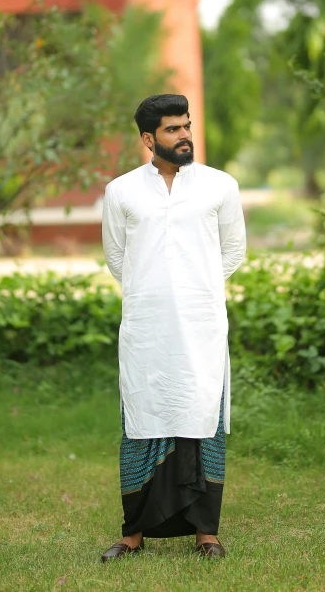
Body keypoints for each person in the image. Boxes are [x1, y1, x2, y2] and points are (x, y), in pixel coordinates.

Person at [100, 93, 246, 561]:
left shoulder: (219, 185)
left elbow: (233, 251)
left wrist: (193, 292)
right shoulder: (121, 191)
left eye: (186, 125)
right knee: (142, 420)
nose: (185, 135)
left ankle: (207, 534)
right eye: (172, 129)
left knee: (201, 418)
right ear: (148, 138)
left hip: (201, 327)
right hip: (146, 329)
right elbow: (117, 257)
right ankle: (133, 535)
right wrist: (155, 294)